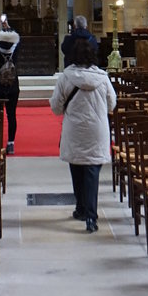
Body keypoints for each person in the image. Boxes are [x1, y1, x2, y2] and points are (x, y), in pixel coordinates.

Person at [50, 38, 117, 233]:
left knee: (77, 168)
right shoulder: (102, 77)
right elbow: (112, 104)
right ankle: (90, 215)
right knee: (92, 172)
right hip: (97, 129)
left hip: (75, 128)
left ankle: (82, 208)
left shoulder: (65, 78)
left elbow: (56, 107)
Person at [0, 14, 20, 154]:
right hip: (12, 87)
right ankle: (11, 142)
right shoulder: (15, 48)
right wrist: (8, 27)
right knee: (11, 115)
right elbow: (19, 37)